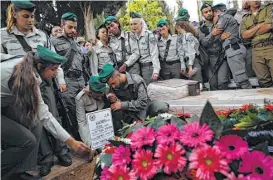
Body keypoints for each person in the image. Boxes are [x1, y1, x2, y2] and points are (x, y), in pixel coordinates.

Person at [1, 1, 72, 177]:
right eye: (26, 16)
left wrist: (59, 78)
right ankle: (43, 159)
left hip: (42, 82)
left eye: (32, 16)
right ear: (14, 14)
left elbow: (55, 61)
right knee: (27, 126)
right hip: (14, 86)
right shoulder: (3, 36)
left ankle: (59, 151)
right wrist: (23, 61)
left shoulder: (41, 35)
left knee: (46, 118)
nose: (31, 20)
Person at [1, 45, 90, 180]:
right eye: (53, 69)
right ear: (40, 65)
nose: (55, 73)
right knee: (26, 140)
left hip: (5, 103)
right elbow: (45, 115)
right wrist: (71, 142)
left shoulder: (25, 63)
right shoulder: (27, 78)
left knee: (35, 123)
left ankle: (22, 170)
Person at [51, 12, 87, 139]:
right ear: (62, 25)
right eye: (70, 27)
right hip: (67, 81)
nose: (73, 30)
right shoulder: (53, 42)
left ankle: (86, 136)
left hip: (81, 79)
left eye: (75, 28)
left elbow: (83, 62)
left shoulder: (76, 43)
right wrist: (60, 81)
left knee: (84, 107)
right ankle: (78, 139)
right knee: (71, 110)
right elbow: (53, 65)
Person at [212, 3, 252, 89]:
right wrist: (222, 36)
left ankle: (249, 101)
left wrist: (216, 26)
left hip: (234, 49)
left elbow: (215, 32)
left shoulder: (224, 17)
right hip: (234, 48)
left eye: (213, 13)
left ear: (217, 12)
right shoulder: (230, 17)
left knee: (242, 80)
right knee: (239, 80)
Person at [98, 64, 149, 131]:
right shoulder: (114, 85)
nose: (113, 87)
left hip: (141, 112)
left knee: (139, 129)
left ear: (118, 75)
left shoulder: (137, 81)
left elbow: (142, 103)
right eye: (110, 85)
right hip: (128, 113)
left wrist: (121, 105)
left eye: (113, 83)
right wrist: (115, 99)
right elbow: (122, 100)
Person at [241, 1, 273, 87]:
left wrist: (251, 32)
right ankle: (269, 100)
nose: (255, 0)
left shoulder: (268, 9)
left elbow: (269, 26)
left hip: (270, 46)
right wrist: (259, 26)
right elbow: (244, 35)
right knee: (263, 81)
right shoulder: (245, 18)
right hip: (256, 50)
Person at [199, 3, 229, 90]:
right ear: (202, 15)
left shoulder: (221, 22)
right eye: (205, 12)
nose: (208, 13)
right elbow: (203, 43)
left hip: (222, 57)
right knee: (213, 85)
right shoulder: (201, 29)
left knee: (223, 82)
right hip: (209, 60)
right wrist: (212, 34)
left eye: (209, 11)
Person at [75, 76, 109, 147]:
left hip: (105, 124)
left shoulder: (107, 88)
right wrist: (90, 144)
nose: (100, 98)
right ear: (90, 93)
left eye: (101, 96)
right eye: (97, 97)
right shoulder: (81, 98)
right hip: (91, 128)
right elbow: (82, 123)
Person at [129, 12, 160, 85]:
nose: (133, 26)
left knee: (149, 90)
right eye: (131, 24)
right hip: (139, 68)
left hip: (149, 68)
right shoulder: (133, 36)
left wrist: (156, 70)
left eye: (135, 24)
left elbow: (154, 53)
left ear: (141, 23)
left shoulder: (148, 35)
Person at [175, 18, 203, 83]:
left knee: (197, 83)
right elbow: (181, 52)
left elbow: (191, 52)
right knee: (192, 83)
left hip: (193, 62)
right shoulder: (181, 37)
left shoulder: (189, 36)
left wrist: (190, 67)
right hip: (187, 62)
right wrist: (183, 65)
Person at [234, 0, 256, 78]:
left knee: (250, 71)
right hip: (238, 46)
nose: (245, 2)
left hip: (250, 45)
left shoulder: (254, 13)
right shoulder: (235, 14)